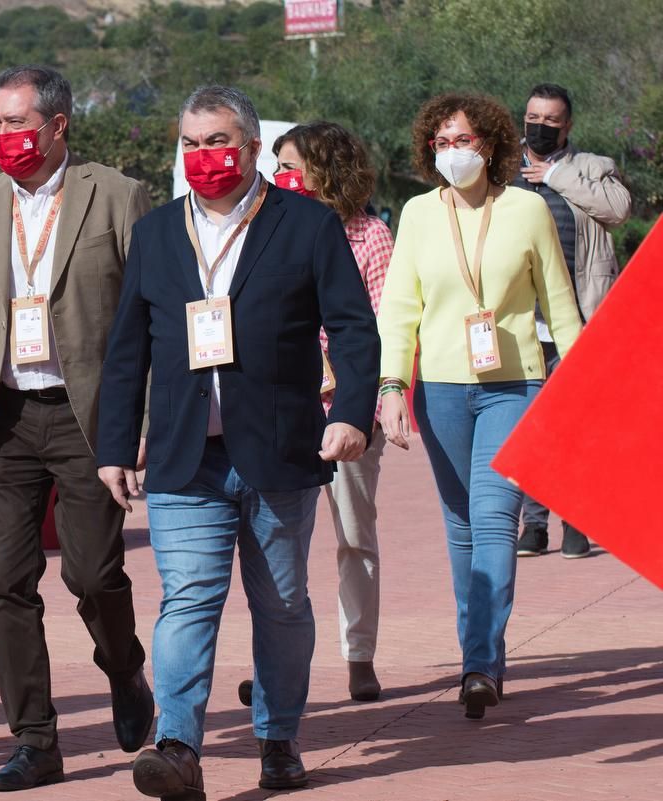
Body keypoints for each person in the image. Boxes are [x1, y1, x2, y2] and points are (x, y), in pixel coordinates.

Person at [97, 86, 380, 798]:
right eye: (190, 143)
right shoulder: (158, 232)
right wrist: (113, 442)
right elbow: (128, 346)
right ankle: (178, 746)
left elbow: (352, 326)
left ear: (252, 146)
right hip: (184, 455)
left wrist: (351, 411)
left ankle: (279, 734)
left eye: (218, 141)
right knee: (188, 596)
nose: (203, 157)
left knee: (281, 602)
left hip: (280, 450)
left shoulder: (306, 225)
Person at [0, 65, 154, 792]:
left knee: (92, 573)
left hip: (85, 414)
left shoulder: (116, 196)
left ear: (58, 125)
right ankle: (35, 739)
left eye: (17, 123)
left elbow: (142, 319)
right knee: (9, 581)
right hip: (4, 416)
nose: (4, 137)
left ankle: (124, 669)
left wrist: (141, 427)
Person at [377, 93, 583, 720]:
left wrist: (578, 384)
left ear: (489, 145)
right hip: (439, 389)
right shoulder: (415, 214)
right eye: (440, 143)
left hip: (515, 384)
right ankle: (480, 654)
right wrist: (390, 388)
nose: (452, 153)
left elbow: (559, 301)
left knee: (495, 517)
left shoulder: (526, 209)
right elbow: (400, 309)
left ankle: (480, 663)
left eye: (462, 140)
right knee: (461, 526)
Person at [234, 122, 393, 707]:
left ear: (328, 169)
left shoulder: (370, 235)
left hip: (345, 414)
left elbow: (374, 329)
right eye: (278, 166)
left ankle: (360, 654)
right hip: (281, 408)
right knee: (274, 542)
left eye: (293, 165)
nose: (282, 177)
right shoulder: (264, 228)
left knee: (354, 535)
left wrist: (365, 411)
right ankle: (274, 662)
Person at [513, 83, 631, 560]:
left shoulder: (592, 168)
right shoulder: (502, 172)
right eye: (532, 117)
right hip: (520, 322)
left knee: (573, 425)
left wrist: (556, 175)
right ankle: (535, 526)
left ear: (568, 126)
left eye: (550, 121)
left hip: (579, 319)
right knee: (529, 425)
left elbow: (618, 210)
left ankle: (575, 522)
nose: (539, 126)